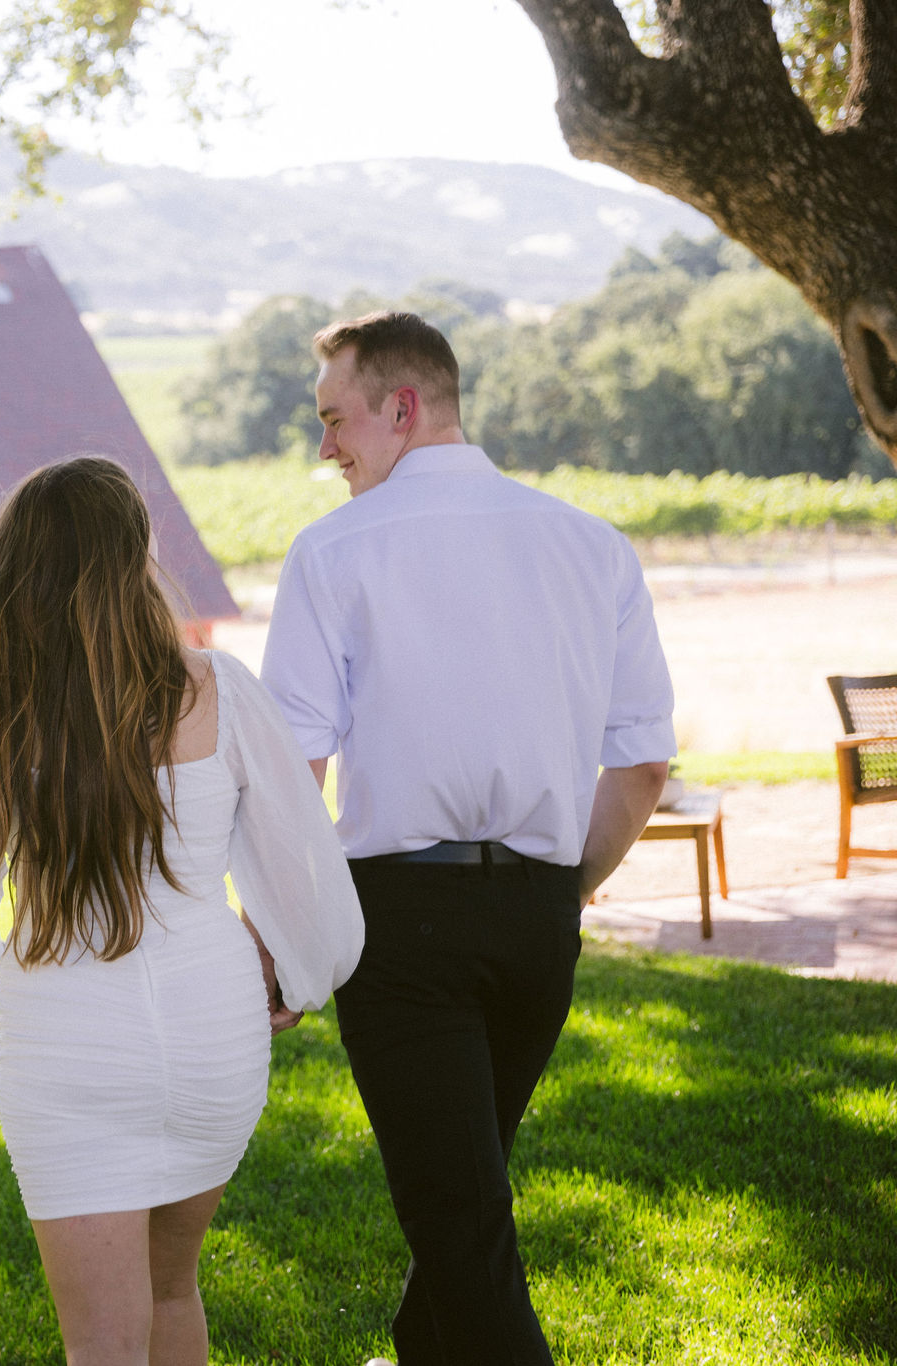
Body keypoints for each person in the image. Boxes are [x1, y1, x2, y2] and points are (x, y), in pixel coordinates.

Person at [261, 311, 675, 1366]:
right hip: (538, 925)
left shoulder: (331, 552)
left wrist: (287, 932)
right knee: (461, 1201)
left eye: (334, 419)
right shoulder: (593, 546)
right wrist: (557, 891)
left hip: (400, 928)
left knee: (463, 1227)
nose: (324, 448)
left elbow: (291, 774)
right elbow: (641, 765)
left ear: (401, 408)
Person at [0, 455, 365, 1366]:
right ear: (135, 561)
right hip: (212, 1026)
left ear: (17, 565)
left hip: (67, 1030)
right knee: (170, 1288)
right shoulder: (220, 689)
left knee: (102, 1347)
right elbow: (307, 865)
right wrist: (298, 971)